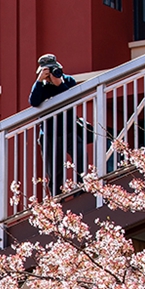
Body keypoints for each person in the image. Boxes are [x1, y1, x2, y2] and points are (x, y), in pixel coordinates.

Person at [28, 53, 85, 196]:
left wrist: (59, 83)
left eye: (53, 70)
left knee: (80, 159)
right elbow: (34, 102)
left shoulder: (68, 81)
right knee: (54, 170)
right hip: (49, 134)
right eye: (47, 73)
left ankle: (81, 190)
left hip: (70, 129)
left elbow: (74, 97)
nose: (51, 76)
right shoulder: (42, 87)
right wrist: (39, 81)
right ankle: (57, 199)